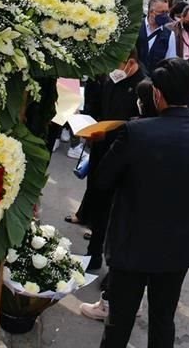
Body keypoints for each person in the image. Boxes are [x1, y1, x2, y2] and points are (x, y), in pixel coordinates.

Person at [96, 58, 189, 348]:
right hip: (176, 249)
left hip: (131, 244)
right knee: (163, 321)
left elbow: (103, 180)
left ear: (157, 94)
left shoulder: (136, 131)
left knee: (119, 323)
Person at [79, 77, 157, 323]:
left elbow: (105, 176)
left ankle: (111, 302)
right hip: (153, 217)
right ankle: (132, 300)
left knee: (122, 251)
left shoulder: (135, 131)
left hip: (125, 202)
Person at [72, 52, 147, 271]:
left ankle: (101, 255)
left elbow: (137, 126)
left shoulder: (143, 87)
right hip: (99, 148)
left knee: (112, 207)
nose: (113, 68)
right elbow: (96, 106)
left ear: (131, 63)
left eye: (118, 63)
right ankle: (95, 247)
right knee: (97, 198)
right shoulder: (108, 78)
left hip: (122, 156)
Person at [136, 0, 175, 75]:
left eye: (167, 12)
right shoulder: (136, 26)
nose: (165, 15)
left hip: (152, 81)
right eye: (161, 12)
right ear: (151, 12)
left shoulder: (170, 35)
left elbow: (169, 61)